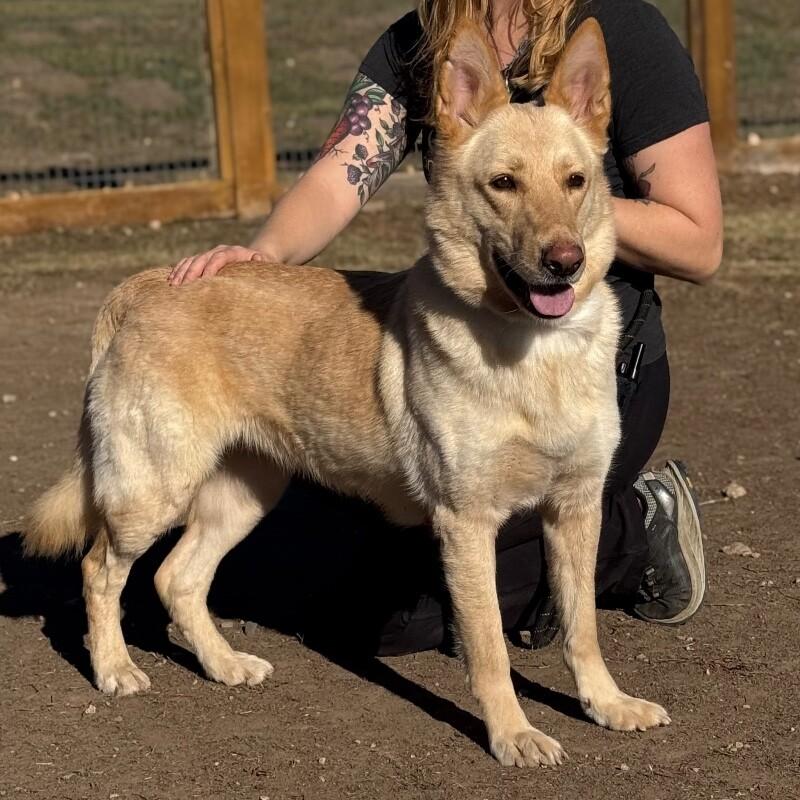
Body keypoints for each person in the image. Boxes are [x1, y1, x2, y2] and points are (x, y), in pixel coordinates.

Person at [168, 0, 722, 654]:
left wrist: (554, 207)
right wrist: (263, 256)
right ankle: (532, 571)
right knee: (340, 589)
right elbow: (339, 176)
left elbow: (699, 241)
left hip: (593, 371)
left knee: (414, 616)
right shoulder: (420, 41)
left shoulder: (620, 28)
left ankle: (633, 528)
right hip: (462, 372)